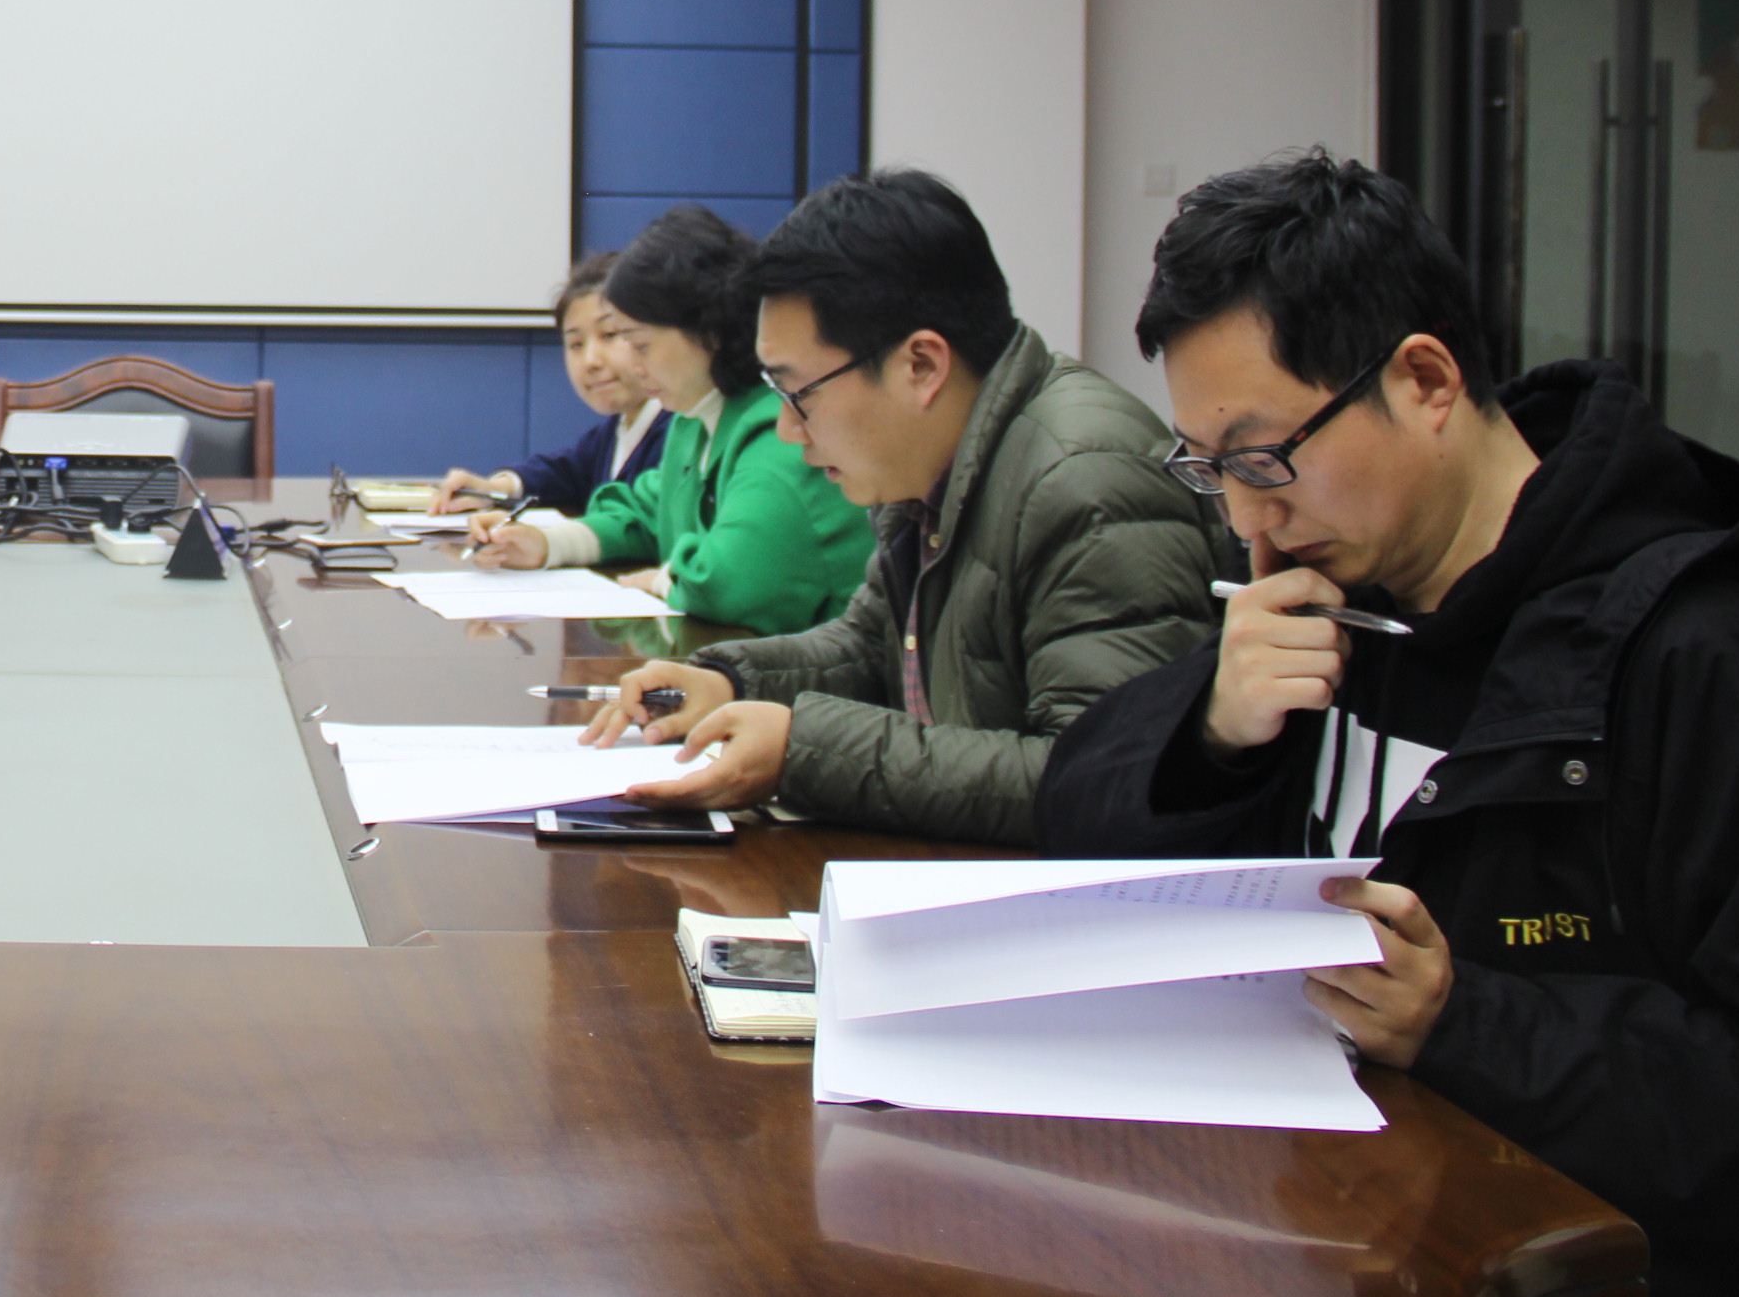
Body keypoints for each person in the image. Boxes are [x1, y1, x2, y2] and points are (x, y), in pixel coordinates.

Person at [1036, 153, 1739, 1297]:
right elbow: (1071, 823)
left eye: (1263, 456)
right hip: (1323, 1259)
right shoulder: (1338, 597)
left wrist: (1468, 1022)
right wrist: (1212, 735)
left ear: (1425, 380)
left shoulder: (1701, 657)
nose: (1246, 518)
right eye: (1209, 470)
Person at [581, 170, 1221, 845]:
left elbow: (1097, 779)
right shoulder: (929, 462)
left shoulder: (1087, 482)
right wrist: (731, 681)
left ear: (921, 366)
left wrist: (805, 752)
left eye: (799, 393)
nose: (788, 430)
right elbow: (871, 645)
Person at [465, 205, 870, 636]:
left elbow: (734, 582)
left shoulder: (779, 429)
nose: (633, 364)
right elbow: (645, 513)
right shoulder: (693, 419)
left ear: (709, 331)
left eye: (640, 345)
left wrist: (664, 579)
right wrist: (548, 543)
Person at [429, 253, 666, 516]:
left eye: (609, 334)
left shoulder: (678, 431)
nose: (590, 361)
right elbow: (566, 472)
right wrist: (494, 489)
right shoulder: (615, 431)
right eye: (576, 344)